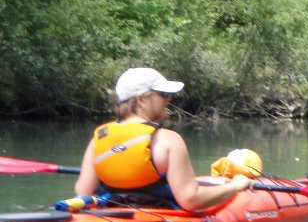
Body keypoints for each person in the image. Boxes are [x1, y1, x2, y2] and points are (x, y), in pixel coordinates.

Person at [75, 67, 253, 211]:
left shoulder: (99, 138)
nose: (169, 99)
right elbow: (191, 200)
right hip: (157, 217)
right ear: (141, 99)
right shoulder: (167, 140)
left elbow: (83, 192)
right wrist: (235, 186)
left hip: (111, 215)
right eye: (163, 94)